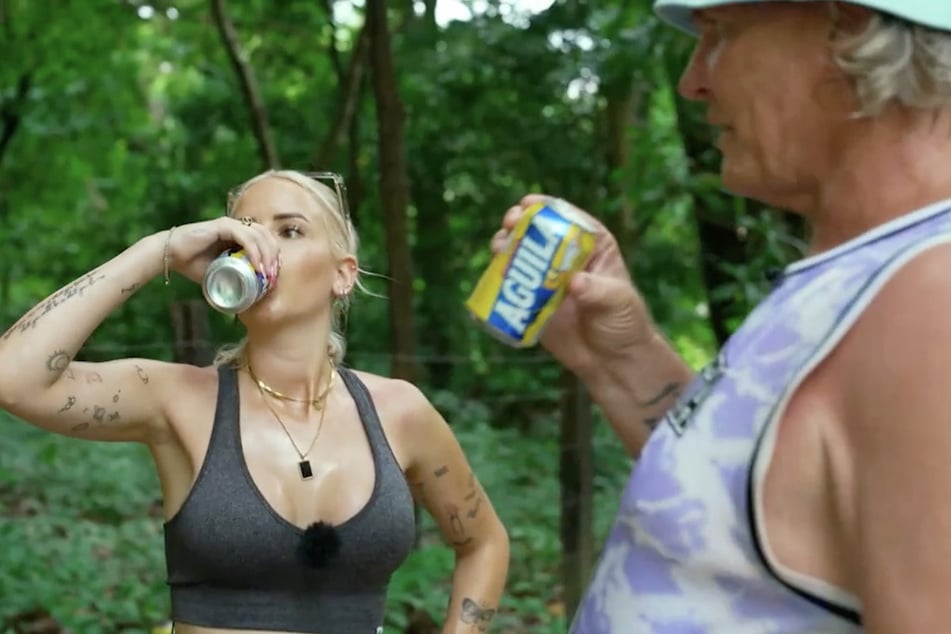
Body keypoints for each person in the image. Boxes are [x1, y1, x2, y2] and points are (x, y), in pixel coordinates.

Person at [494, 1, 951, 632]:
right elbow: (747, 517)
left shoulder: (932, 303)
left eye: (721, 35)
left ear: (847, 31)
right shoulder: (873, 273)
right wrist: (617, 357)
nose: (692, 80)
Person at [0, 169, 510, 634]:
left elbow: (484, 542)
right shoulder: (177, 399)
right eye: (242, 232)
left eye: (289, 231)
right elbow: (13, 379)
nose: (259, 248)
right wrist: (161, 250)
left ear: (342, 273)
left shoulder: (400, 411)